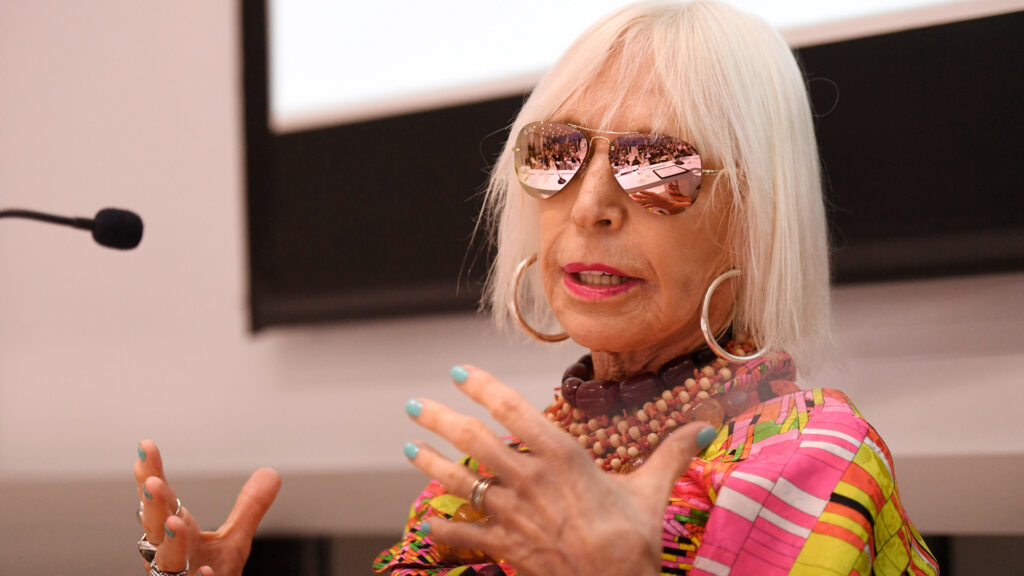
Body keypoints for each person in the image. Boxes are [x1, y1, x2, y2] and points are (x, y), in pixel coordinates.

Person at [133, 2, 939, 575]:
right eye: (558, 154)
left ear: (756, 216)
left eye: (657, 163)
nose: (589, 206)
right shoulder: (501, 472)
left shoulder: (811, 456)